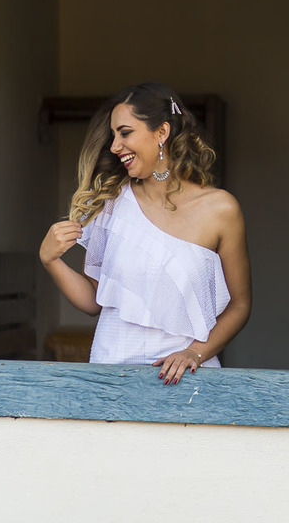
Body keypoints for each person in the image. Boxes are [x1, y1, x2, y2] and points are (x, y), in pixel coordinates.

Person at [39, 82, 251, 385]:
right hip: (110, 378)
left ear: (162, 132)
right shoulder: (110, 204)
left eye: (125, 133)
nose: (114, 146)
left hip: (188, 383)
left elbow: (240, 305)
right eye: (113, 135)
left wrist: (195, 353)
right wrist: (51, 261)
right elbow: (93, 302)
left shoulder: (221, 209)